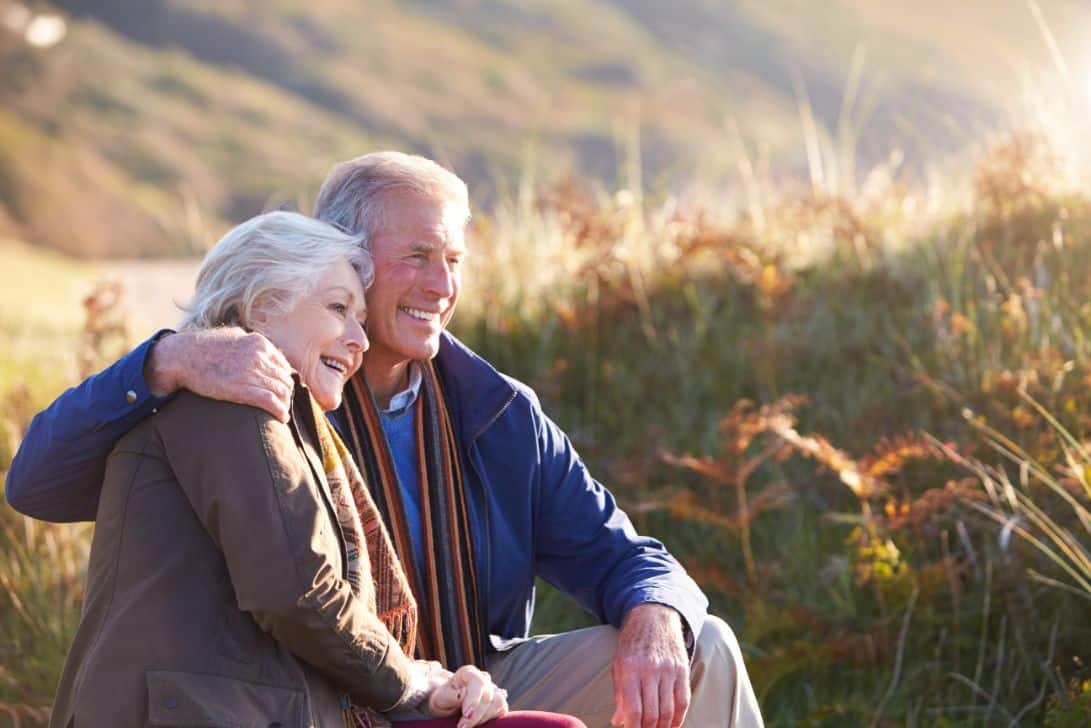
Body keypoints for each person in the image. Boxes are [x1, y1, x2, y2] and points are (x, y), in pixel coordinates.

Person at [7, 153, 763, 728]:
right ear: (340, 259)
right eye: (415, 258)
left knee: (703, 651)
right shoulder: (240, 379)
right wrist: (165, 360)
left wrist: (657, 618)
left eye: (453, 261)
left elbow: (622, 555)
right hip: (316, 687)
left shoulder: (495, 410)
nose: (441, 287)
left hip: (467, 680)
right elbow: (39, 485)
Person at [45, 211, 584, 728]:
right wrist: (410, 685)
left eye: (359, 315)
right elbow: (299, 591)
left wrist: (427, 678)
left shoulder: (287, 424)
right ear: (260, 310)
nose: (360, 339)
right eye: (337, 309)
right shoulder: (230, 405)